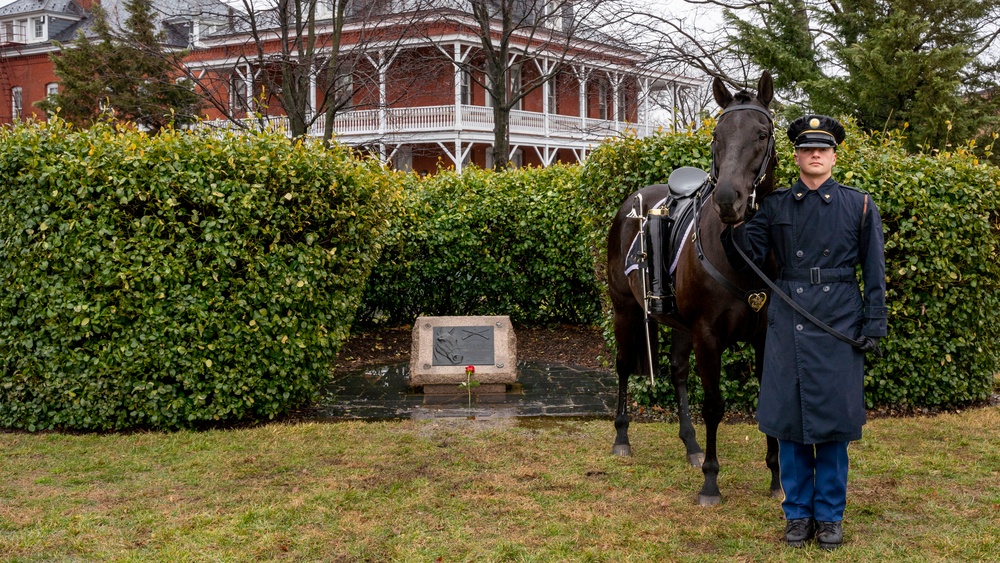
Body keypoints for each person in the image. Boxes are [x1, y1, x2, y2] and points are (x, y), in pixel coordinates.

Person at [721, 115, 887, 550]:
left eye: (823, 149)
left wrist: (874, 323)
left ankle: (830, 516)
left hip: (839, 321)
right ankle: (797, 515)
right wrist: (732, 218)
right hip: (788, 319)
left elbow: (874, 274)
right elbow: (744, 258)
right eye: (807, 149)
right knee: (790, 426)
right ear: (796, 156)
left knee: (833, 428)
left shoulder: (860, 205)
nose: (815, 155)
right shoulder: (775, 206)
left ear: (833, 156)